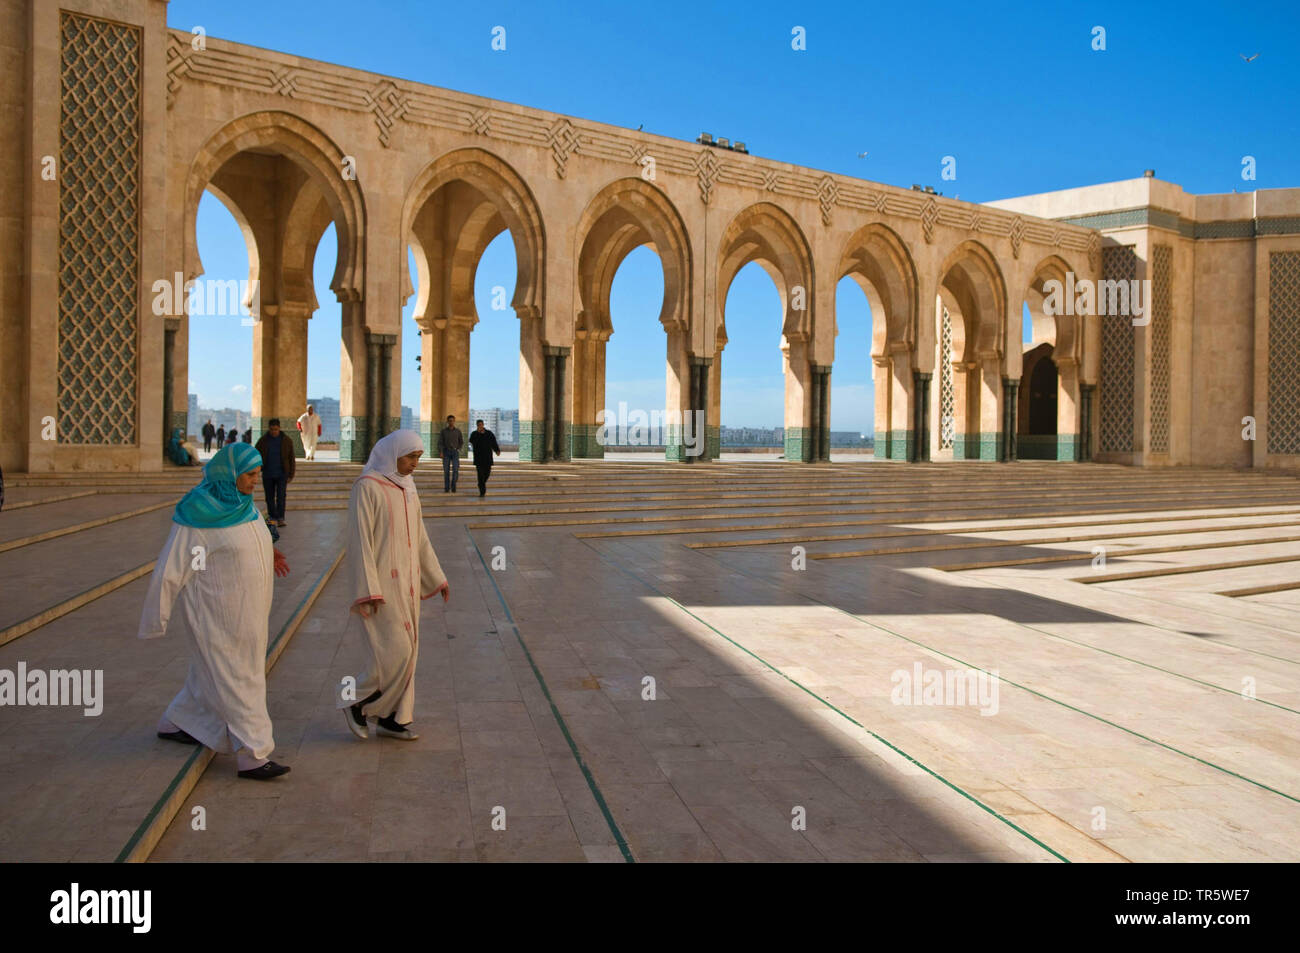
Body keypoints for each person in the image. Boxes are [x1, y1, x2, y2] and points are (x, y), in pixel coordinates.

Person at [138, 443, 292, 780]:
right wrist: (155, 619)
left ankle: (177, 720)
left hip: (249, 614)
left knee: (213, 675)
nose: (255, 481)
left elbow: (252, 540)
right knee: (240, 679)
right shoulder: (198, 516)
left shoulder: (242, 506)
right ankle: (254, 753)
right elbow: (170, 569)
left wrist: (271, 553)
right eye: (250, 475)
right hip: (217, 617)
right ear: (230, 474)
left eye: (258, 474)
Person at [340, 430, 449, 742]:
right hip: (382, 588)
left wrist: (436, 576)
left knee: (409, 651)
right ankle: (356, 703)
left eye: (418, 457)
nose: (415, 463)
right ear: (393, 454)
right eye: (410, 457)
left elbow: (421, 537)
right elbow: (359, 542)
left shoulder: (408, 488)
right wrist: (367, 589)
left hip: (409, 584)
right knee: (394, 652)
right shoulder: (367, 488)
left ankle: (392, 717)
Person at [255, 418, 295, 528]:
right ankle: (272, 517)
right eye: (272, 429)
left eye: (276, 429)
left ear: (279, 428)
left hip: (282, 473)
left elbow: (291, 458)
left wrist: (291, 474)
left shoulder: (286, 440)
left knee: (281, 496)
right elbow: (256, 455)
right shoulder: (263, 441)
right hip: (268, 473)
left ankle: (281, 518)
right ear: (269, 429)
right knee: (269, 497)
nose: (274, 432)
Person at [467, 418, 501, 497]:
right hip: (478, 458)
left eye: (481, 425)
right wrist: (479, 434)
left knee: (487, 473)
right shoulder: (474, 434)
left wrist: (497, 450)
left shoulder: (489, 433)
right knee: (480, 475)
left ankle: (480, 484)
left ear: (483, 425)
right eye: (479, 425)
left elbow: (493, 442)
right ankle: (482, 491)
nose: (480, 426)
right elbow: (472, 441)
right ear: (477, 425)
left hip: (487, 457)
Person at [437, 414, 463, 493]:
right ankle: (447, 487)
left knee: (455, 469)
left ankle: (453, 485)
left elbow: (461, 441)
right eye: (450, 421)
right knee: (446, 471)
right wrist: (441, 452)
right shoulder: (443, 431)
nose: (451, 422)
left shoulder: (458, 431)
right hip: (446, 452)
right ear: (447, 421)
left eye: (452, 421)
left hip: (455, 452)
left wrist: (458, 448)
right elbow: (440, 443)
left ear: (454, 421)